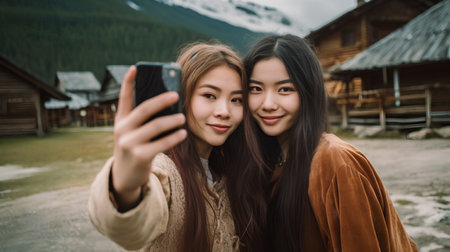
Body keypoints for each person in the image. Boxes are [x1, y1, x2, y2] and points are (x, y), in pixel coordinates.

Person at [243, 34, 418, 251]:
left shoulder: (335, 161)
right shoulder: (266, 160)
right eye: (256, 89)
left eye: (285, 89)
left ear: (308, 92)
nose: (268, 104)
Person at [89, 43, 266, 252]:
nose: (224, 111)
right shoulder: (164, 170)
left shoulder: (229, 173)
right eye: (209, 95)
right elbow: (131, 231)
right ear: (183, 97)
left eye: (236, 99)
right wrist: (125, 186)